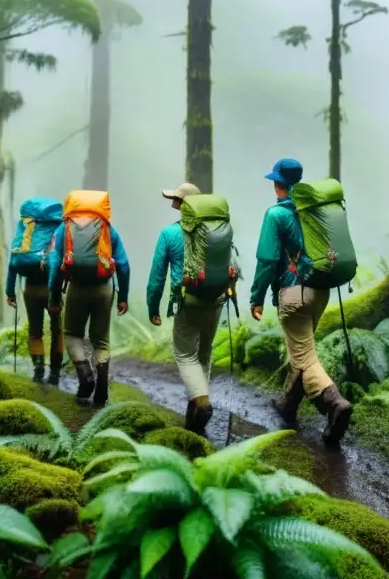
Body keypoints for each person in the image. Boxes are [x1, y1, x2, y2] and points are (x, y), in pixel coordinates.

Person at [249, 158, 353, 446]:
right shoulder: (316, 210)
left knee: (305, 357)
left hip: (293, 293)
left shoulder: (275, 215)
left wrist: (256, 298)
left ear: (277, 183)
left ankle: (334, 403)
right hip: (321, 291)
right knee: (302, 348)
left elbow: (268, 261)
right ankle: (288, 405)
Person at [146, 182, 227, 436]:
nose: (173, 203)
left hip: (187, 302)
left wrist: (153, 306)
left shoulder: (169, 235)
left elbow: (157, 277)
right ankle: (194, 417)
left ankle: (201, 404)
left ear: (183, 206)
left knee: (185, 356)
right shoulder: (216, 232)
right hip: (215, 300)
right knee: (203, 354)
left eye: (177, 200)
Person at [47, 190, 130, 407]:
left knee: (72, 334)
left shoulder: (63, 228)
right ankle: (101, 390)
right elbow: (123, 264)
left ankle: (85, 376)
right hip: (104, 289)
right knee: (100, 340)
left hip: (77, 288)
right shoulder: (107, 229)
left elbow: (55, 267)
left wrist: (54, 297)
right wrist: (123, 296)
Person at [6, 197, 64, 384]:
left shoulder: (25, 226)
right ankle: (55, 374)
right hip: (51, 288)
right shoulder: (56, 228)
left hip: (30, 289)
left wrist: (10, 292)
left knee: (35, 331)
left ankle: (38, 372)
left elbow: (13, 262)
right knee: (57, 330)